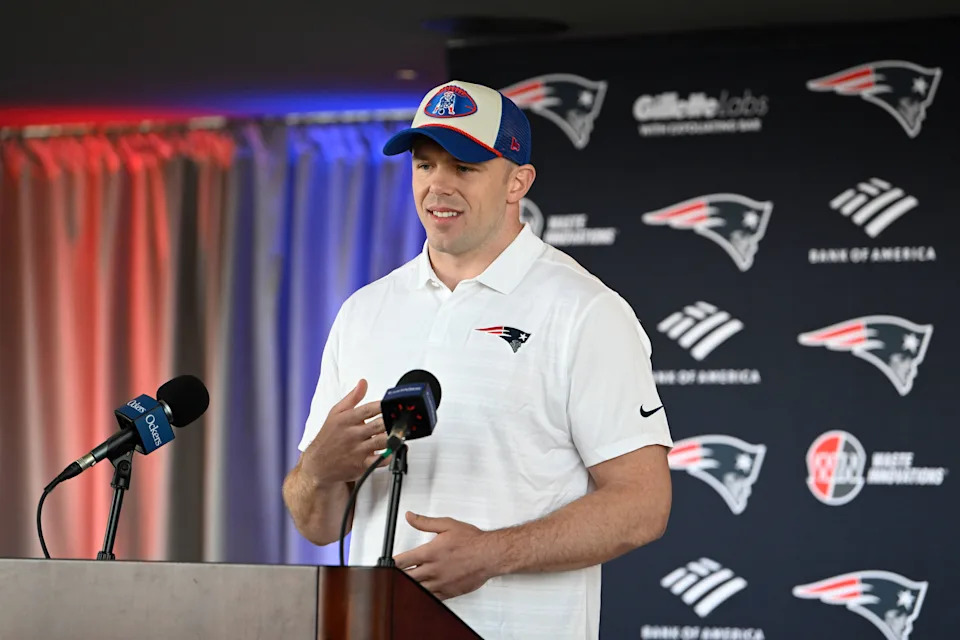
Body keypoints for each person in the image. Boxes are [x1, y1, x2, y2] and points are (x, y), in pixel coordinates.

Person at [282, 80, 673, 640]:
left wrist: (494, 553)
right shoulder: (364, 311)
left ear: (519, 181)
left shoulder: (585, 311)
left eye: (463, 167)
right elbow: (317, 525)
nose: (438, 185)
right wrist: (317, 470)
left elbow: (643, 503)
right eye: (424, 165)